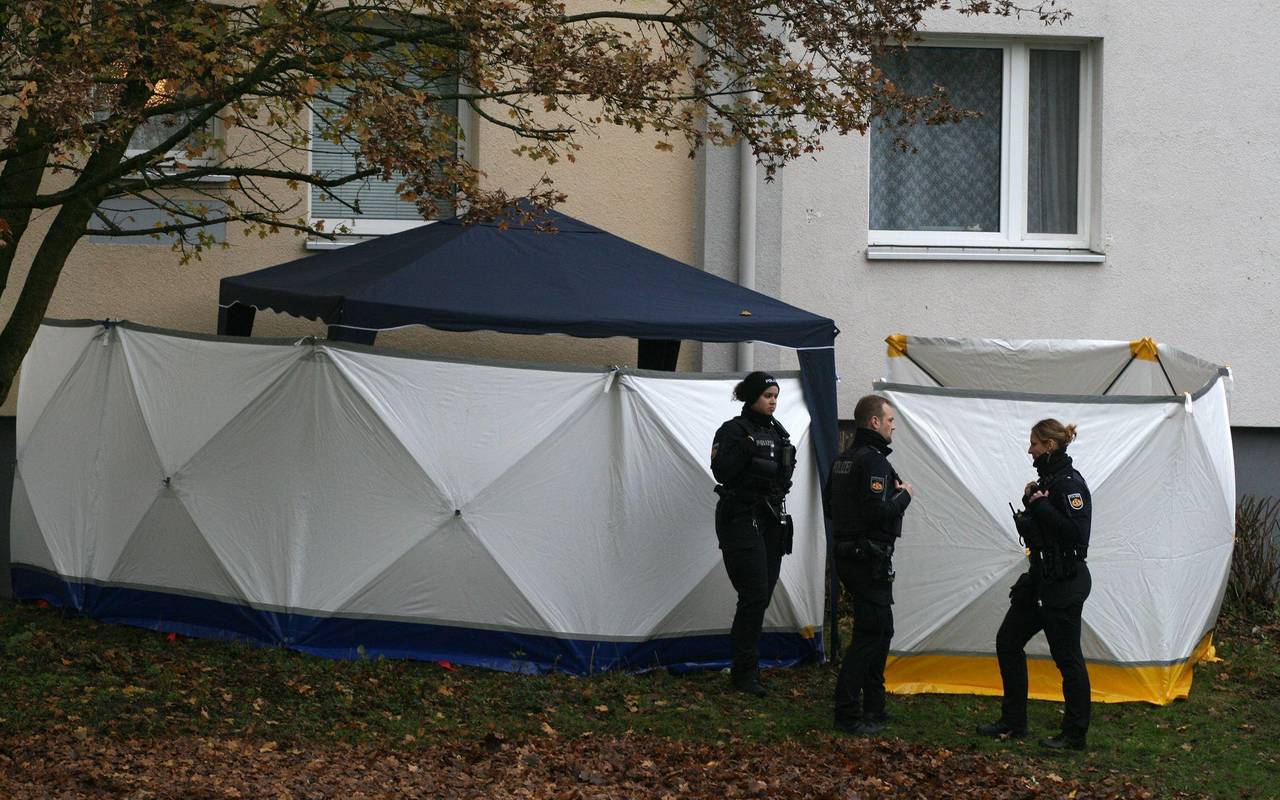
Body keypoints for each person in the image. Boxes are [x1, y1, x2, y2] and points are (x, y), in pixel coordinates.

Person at [977, 419, 1092, 751]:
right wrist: (1031, 507)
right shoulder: (1049, 481)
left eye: (1035, 444)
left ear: (1050, 446)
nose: (1030, 450)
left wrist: (1040, 506)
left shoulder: (1069, 484)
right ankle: (1014, 721)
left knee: (1068, 659)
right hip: (1040, 580)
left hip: (1064, 582)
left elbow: (1076, 534)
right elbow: (1042, 532)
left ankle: (1074, 734)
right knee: (1008, 641)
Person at [828, 394, 912, 734]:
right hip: (868, 558)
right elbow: (880, 509)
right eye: (889, 419)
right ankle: (848, 713)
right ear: (874, 422)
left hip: (851, 554)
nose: (893, 425)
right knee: (870, 633)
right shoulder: (874, 462)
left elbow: (831, 506)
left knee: (882, 629)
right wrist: (905, 494)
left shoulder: (842, 460)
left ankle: (875, 706)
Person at [710, 371, 797, 697]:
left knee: (761, 595)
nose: (773, 401)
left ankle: (747, 669)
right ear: (751, 397)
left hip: (770, 518)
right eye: (767, 396)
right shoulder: (733, 430)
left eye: (776, 396)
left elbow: (782, 475)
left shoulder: (778, 433)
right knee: (754, 593)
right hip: (740, 517)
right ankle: (744, 672)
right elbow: (721, 470)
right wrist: (748, 447)